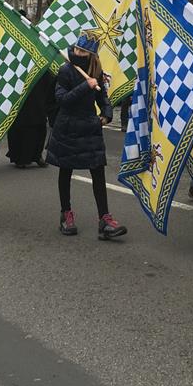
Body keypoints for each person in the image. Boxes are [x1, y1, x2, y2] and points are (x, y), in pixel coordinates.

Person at [46, 34, 127, 239]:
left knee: (97, 171)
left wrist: (107, 114)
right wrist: (85, 86)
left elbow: (103, 96)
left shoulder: (96, 71)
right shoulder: (65, 70)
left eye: (83, 52)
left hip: (90, 126)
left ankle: (105, 219)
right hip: (68, 127)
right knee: (66, 171)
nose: (78, 54)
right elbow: (62, 99)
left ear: (92, 55)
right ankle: (66, 215)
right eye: (77, 50)